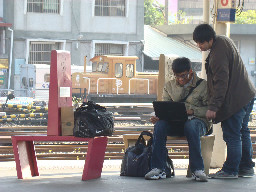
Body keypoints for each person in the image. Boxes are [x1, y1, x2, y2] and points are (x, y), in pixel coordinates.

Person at [193, 24, 256, 179]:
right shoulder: (223, 40)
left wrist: (213, 107)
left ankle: (231, 170)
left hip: (234, 100)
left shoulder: (217, 56)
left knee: (232, 135)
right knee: (242, 132)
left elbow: (221, 83)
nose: (199, 46)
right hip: (246, 94)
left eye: (201, 43)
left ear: (209, 40)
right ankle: (246, 167)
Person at [145, 57, 211, 182]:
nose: (180, 79)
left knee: (191, 126)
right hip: (176, 122)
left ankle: (197, 170)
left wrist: (193, 111)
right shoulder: (169, 86)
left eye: (184, 76)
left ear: (190, 72)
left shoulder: (203, 86)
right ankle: (158, 168)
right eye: (177, 76)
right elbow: (165, 107)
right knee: (159, 126)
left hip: (197, 123)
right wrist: (159, 117)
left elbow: (210, 110)